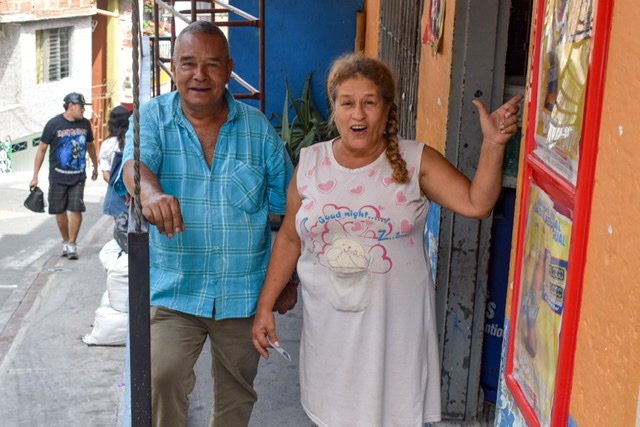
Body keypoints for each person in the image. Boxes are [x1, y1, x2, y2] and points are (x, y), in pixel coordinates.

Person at [251, 53, 523, 426]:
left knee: (390, 414)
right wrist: (265, 306)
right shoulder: (311, 163)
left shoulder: (415, 161)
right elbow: (289, 239)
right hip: (329, 327)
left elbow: (476, 203)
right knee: (332, 414)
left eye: (369, 103)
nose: (358, 115)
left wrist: (493, 144)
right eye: (347, 103)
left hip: (393, 329)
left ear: (386, 108)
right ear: (334, 108)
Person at [119, 21, 294, 427]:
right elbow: (134, 166)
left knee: (237, 393)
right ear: (173, 68)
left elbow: (292, 211)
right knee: (159, 376)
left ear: (229, 68)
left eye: (212, 64)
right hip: (176, 289)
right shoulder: (154, 119)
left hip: (242, 293)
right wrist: (150, 193)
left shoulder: (258, 131)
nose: (200, 75)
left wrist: (290, 281)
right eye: (188, 64)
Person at [30, 92, 98, 260]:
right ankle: (66, 240)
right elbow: (41, 149)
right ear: (71, 105)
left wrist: (96, 166)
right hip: (58, 176)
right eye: (81, 106)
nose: (83, 110)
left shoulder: (85, 124)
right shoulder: (53, 124)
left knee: (76, 208)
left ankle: (73, 244)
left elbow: (90, 146)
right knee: (59, 210)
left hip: (78, 175)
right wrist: (35, 175)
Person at [98, 105, 131, 218]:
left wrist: (122, 191)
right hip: (138, 190)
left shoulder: (107, 144)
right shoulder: (135, 141)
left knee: (120, 229)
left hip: (116, 193)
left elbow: (106, 174)